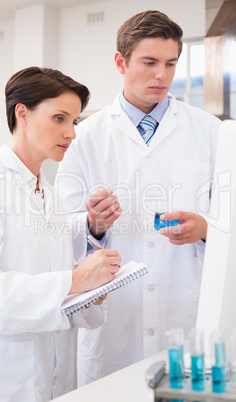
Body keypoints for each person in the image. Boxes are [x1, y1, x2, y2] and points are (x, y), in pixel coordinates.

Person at [56, 10, 221, 386]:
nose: (161, 75)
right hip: (114, 323)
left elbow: (230, 216)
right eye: (149, 62)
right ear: (121, 62)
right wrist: (93, 224)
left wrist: (205, 228)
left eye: (170, 63)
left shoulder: (209, 132)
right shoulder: (84, 137)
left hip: (182, 315)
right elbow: (60, 228)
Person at [0, 66, 121, 402]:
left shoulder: (48, 194)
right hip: (3, 383)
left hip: (55, 379)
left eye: (74, 122)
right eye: (59, 118)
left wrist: (90, 291)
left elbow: (53, 285)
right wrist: (75, 281)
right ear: (22, 113)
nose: (71, 133)